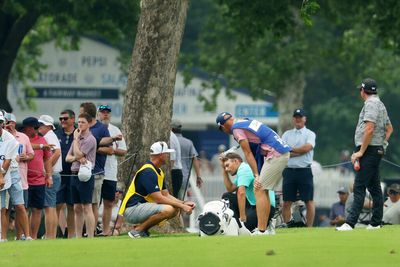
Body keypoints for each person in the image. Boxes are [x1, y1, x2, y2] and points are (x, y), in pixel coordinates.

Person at [216, 112, 291, 235]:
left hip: (275, 153)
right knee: (263, 190)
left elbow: (248, 153)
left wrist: (256, 175)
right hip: (280, 151)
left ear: (223, 127)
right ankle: (266, 228)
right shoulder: (244, 120)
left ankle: (261, 231)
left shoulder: (236, 129)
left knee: (259, 189)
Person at [337, 78, 393, 231]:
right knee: (374, 188)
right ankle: (375, 223)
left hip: (369, 150)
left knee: (359, 186)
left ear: (363, 91)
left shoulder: (371, 104)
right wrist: (383, 144)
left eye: (360, 90)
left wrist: (361, 151)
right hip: (375, 150)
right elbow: (389, 129)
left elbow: (369, 129)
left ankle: (350, 223)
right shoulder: (380, 104)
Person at [116, 141, 195, 238]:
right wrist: (182, 206)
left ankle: (142, 229)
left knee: (174, 209)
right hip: (132, 209)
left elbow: (166, 195)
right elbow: (159, 199)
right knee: (169, 209)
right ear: (161, 155)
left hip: (140, 207)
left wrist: (183, 203)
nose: (168, 156)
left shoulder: (158, 171)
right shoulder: (148, 171)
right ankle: (138, 230)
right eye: (166, 153)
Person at [79, 102, 113, 233]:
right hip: (80, 171)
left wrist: (92, 148)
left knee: (93, 204)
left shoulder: (102, 128)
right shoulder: (80, 128)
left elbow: (110, 150)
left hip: (96, 171)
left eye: (82, 112)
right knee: (80, 205)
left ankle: (91, 232)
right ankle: (82, 231)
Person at [281, 108, 316, 227]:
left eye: (300, 117)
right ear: (293, 119)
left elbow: (307, 148)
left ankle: (309, 228)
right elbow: (281, 151)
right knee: (287, 202)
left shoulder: (310, 134)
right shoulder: (286, 134)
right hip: (289, 171)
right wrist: (299, 151)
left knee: (308, 201)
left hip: (304, 171)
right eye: (296, 117)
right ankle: (287, 225)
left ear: (305, 119)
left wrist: (290, 149)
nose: (298, 120)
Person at [0, 113, 32, 241]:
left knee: (19, 205)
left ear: (2, 124)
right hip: (0, 173)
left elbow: (7, 161)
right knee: (2, 208)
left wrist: (1, 177)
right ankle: (2, 237)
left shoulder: (10, 139)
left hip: (12, 173)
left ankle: (28, 236)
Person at [66, 113, 97, 238]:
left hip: (85, 175)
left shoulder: (90, 139)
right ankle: (78, 237)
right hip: (74, 174)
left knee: (87, 207)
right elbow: (68, 158)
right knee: (77, 207)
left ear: (88, 124)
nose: (79, 124)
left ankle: (90, 236)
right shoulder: (77, 139)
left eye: (82, 122)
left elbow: (79, 154)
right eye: (78, 122)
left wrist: (74, 140)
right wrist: (77, 158)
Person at [97, 104, 127, 236]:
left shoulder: (115, 130)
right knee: (93, 202)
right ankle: (91, 229)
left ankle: (105, 231)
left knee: (108, 202)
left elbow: (123, 151)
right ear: (98, 114)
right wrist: (104, 149)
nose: (105, 114)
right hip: (96, 170)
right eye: (103, 112)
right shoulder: (94, 129)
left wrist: (112, 150)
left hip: (110, 171)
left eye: (108, 112)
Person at [21, 117, 53, 239]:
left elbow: (47, 159)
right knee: (24, 209)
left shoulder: (42, 139)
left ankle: (33, 236)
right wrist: (41, 146)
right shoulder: (21, 138)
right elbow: (28, 145)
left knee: (37, 209)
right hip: (23, 180)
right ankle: (24, 235)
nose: (37, 129)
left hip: (39, 179)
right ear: (28, 128)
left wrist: (49, 176)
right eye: (35, 127)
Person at [219, 152, 258, 232]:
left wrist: (242, 217)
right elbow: (230, 189)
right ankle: (235, 224)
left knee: (244, 228)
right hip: (253, 205)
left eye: (227, 165)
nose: (227, 169)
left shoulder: (243, 169)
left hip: (261, 207)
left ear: (236, 161)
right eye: (225, 167)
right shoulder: (242, 169)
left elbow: (241, 193)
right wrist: (223, 169)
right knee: (227, 196)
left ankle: (239, 224)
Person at [38, 115, 62, 239]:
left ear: (48, 126)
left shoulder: (49, 136)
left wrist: (46, 169)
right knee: (51, 207)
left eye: (41, 124)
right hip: (55, 174)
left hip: (52, 174)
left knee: (49, 207)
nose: (39, 127)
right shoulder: (50, 135)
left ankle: (50, 236)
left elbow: (57, 152)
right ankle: (51, 235)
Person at [55, 109, 76, 238]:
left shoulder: (79, 134)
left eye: (65, 118)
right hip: (59, 174)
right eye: (61, 119)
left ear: (73, 119)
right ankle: (55, 232)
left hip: (73, 174)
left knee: (71, 206)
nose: (62, 121)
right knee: (57, 204)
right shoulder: (56, 134)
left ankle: (71, 234)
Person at [171, 120, 202, 198]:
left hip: (171, 176)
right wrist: (198, 176)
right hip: (185, 177)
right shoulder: (188, 142)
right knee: (181, 200)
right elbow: (195, 160)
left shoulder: (170, 141)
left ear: (171, 129)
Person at [170, 131, 183, 198]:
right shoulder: (172, 135)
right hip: (175, 171)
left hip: (174, 171)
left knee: (173, 198)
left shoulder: (170, 136)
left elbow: (172, 159)